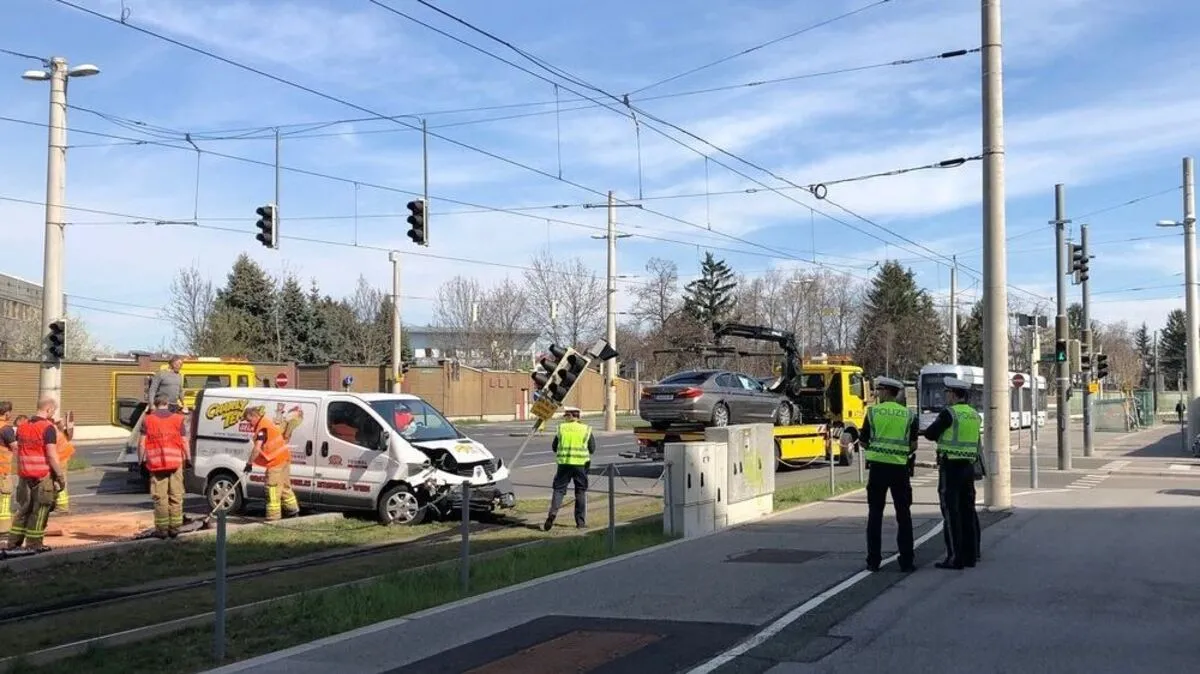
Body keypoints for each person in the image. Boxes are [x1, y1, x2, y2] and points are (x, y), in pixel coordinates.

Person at [923, 377, 981, 570]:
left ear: (955, 394)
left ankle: (955, 557)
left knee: (951, 512)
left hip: (951, 467)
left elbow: (930, 433)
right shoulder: (974, 414)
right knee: (968, 511)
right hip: (968, 468)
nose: (945, 395)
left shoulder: (949, 414)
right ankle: (971, 556)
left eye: (947, 392)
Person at [861, 377, 918, 572]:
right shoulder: (909, 415)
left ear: (886, 392)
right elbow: (913, 445)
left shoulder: (872, 413)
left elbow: (863, 441)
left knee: (875, 515)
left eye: (879, 390)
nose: (877, 394)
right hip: (899, 470)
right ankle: (907, 560)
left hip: (877, 469)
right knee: (904, 515)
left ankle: (873, 560)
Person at [6, 397, 65, 552]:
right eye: (53, 411)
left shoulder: (22, 427)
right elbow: (51, 455)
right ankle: (34, 544)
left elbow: (19, 451)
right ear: (49, 410)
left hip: (25, 475)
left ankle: (13, 543)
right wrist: (59, 476)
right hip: (42, 475)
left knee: (24, 510)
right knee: (40, 511)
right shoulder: (48, 428)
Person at [138, 393, 191, 538]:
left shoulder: (147, 420)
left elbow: (142, 443)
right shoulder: (178, 419)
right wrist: (188, 458)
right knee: (176, 495)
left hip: (156, 464)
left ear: (155, 404)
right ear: (168, 403)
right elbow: (184, 441)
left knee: (160, 497)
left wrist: (140, 460)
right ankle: (175, 528)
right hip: (175, 463)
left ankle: (162, 530)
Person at [543, 407, 595, 531]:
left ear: (569, 416)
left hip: (564, 465)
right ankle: (580, 522)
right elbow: (592, 448)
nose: (564, 418)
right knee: (580, 492)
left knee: (559, 490)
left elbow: (554, 447)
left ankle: (552, 514)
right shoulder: (586, 429)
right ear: (578, 417)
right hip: (580, 465)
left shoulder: (561, 428)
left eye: (565, 415)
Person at [242, 405, 299, 521]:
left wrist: (249, 463)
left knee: (272, 489)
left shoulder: (262, 428)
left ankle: (273, 518)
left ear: (255, 416)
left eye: (249, 420)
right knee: (284, 487)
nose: (249, 424)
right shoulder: (266, 422)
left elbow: (257, 448)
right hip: (284, 458)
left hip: (275, 462)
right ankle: (293, 512)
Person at [52, 417, 75, 514]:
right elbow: (68, 435)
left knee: (59, 482)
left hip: (59, 459)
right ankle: (62, 506)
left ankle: (62, 507)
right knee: (61, 482)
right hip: (62, 457)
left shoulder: (52, 431)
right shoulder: (59, 432)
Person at [0, 401, 16, 539]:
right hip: (2, 469)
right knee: (5, 497)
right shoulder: (6, 429)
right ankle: (4, 528)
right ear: (7, 413)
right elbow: (15, 447)